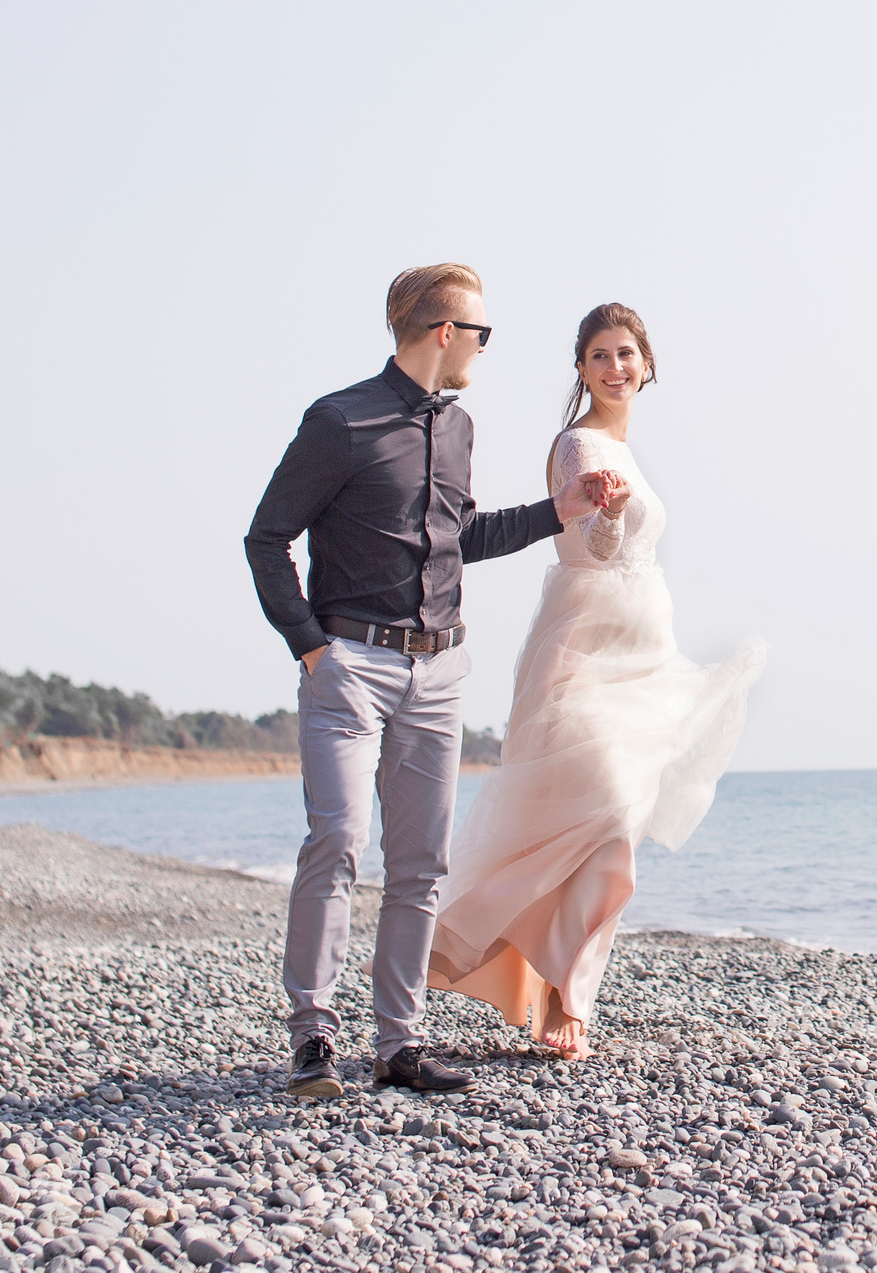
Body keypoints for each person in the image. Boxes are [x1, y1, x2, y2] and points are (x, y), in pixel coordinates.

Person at [244, 263, 623, 1100]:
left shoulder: (458, 430)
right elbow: (267, 539)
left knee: (419, 864)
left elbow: (463, 537)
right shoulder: (338, 421)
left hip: (440, 668)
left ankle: (398, 1044)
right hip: (350, 668)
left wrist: (561, 511)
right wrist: (312, 648)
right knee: (336, 845)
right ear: (444, 332)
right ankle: (312, 1036)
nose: (485, 348)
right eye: (480, 332)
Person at [427, 302, 764, 1059]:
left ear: (647, 364)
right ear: (581, 368)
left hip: (643, 654)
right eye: (600, 355)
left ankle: (564, 993)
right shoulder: (579, 445)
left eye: (627, 353)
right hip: (581, 648)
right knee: (598, 811)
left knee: (615, 819)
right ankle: (556, 993)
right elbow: (594, 539)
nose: (616, 367)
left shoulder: (628, 446)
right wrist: (605, 515)